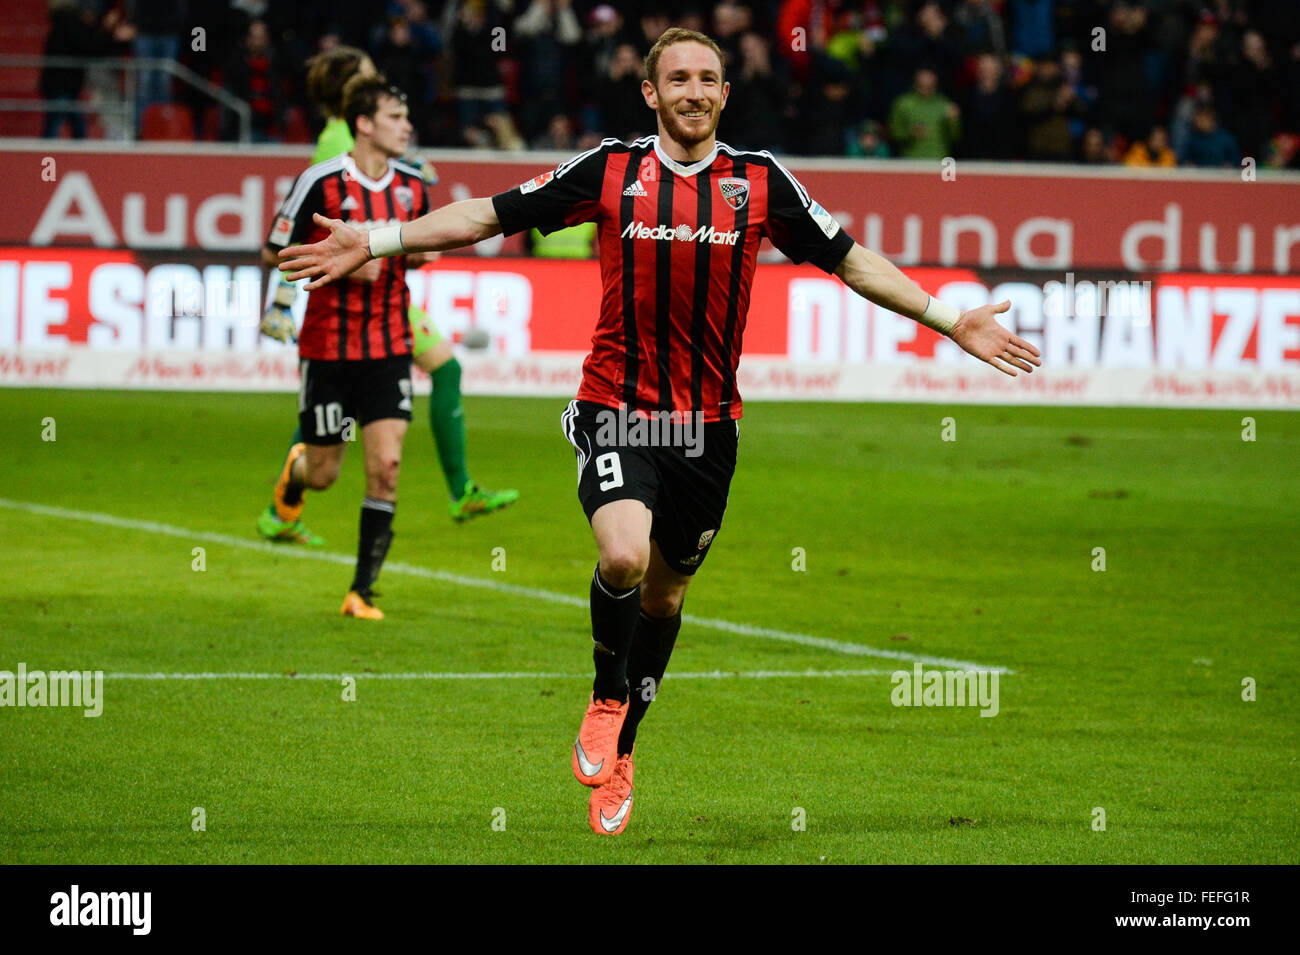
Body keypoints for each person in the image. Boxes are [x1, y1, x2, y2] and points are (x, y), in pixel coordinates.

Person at [278, 28, 1040, 832]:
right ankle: (607, 695)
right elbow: (488, 215)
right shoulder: (609, 169)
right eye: (676, 78)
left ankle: (627, 746)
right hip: (618, 408)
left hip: (709, 429)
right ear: (650, 92)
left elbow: (850, 259)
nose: (693, 90)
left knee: (668, 595)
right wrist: (378, 237)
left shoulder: (759, 181)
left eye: (708, 78)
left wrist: (952, 321)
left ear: (724, 93)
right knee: (623, 554)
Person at [257, 47, 517, 548]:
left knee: (436, 372)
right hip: (355, 298)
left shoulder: (378, 152)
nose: (382, 82)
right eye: (371, 78)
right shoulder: (338, 143)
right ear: (361, 111)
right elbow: (312, 222)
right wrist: (288, 297)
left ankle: (456, 490)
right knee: (430, 375)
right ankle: (455, 489)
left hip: (388, 289)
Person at [261, 74, 439, 619]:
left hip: (388, 347)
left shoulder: (413, 185)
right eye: (394, 116)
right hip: (329, 350)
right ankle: (296, 473)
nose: (406, 126)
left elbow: (426, 248)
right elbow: (274, 251)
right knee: (325, 474)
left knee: (386, 464)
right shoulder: (320, 180)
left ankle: (360, 591)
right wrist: (338, 263)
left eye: (406, 116)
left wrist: (412, 254)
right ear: (363, 124)